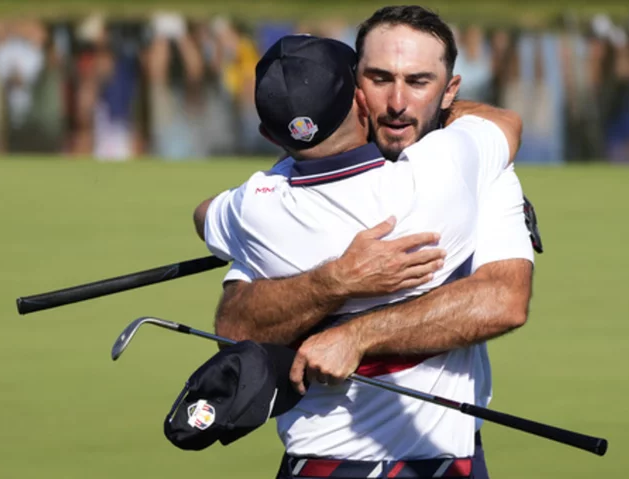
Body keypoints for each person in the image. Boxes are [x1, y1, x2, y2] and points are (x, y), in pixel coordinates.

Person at [195, 21, 526, 479]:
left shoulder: (255, 205)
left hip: (321, 464)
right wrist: (337, 283)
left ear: (269, 135)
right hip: (441, 463)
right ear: (358, 96)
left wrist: (349, 324)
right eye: (380, 79)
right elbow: (505, 123)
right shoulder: (450, 165)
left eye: (416, 82)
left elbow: (205, 218)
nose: (396, 103)